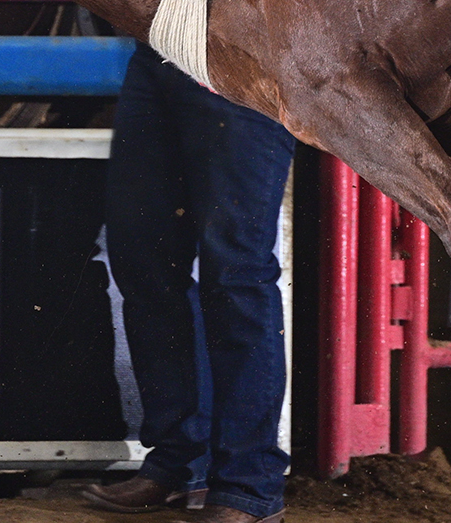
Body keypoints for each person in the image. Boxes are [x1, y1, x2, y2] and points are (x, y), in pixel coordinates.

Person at [84, 44, 295, 523]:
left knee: (236, 272)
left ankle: (248, 484)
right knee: (144, 262)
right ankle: (183, 463)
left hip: (245, 52)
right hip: (163, 47)